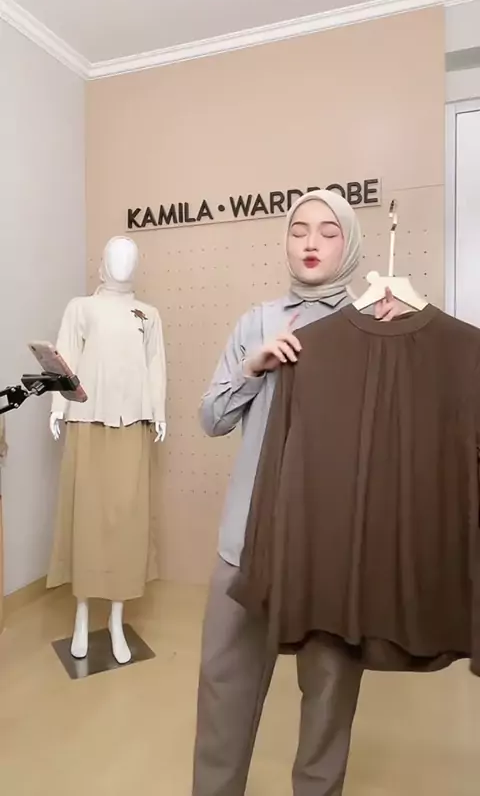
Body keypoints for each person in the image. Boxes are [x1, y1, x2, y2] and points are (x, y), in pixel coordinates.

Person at [192, 189, 400, 796]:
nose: (311, 243)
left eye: (328, 232)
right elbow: (211, 419)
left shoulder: (375, 324)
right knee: (223, 686)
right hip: (246, 540)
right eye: (299, 230)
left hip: (332, 547)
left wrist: (387, 346)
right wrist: (252, 368)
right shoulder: (256, 321)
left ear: (349, 245)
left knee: (329, 695)